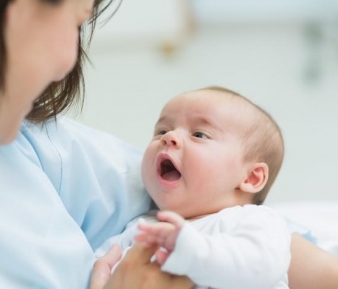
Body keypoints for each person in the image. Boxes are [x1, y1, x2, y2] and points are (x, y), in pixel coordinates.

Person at [0, 0, 338, 289]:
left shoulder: (27, 143)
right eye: (76, 23)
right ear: (18, 12)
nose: (69, 60)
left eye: (199, 133)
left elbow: (269, 245)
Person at [96, 87, 291, 288]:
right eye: (161, 131)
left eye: (199, 134)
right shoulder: (140, 227)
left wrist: (193, 254)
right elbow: (96, 268)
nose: (169, 136)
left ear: (251, 177)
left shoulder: (253, 220)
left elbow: (261, 266)